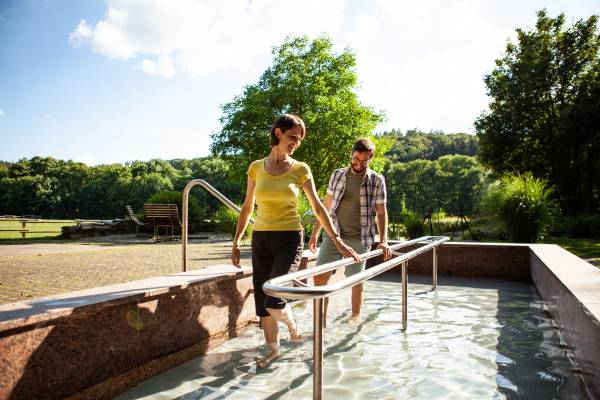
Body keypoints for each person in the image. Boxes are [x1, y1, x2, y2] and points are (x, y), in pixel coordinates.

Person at [231, 114, 361, 368]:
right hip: (260, 239)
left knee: (274, 297)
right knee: (262, 302)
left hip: (289, 238)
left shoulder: (301, 169)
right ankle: (272, 350)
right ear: (278, 133)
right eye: (293, 137)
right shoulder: (256, 168)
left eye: (299, 140)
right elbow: (247, 208)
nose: (296, 143)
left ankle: (291, 324)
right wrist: (236, 241)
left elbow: (318, 207)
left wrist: (336, 239)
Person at [308, 138, 391, 325]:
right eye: (356, 158)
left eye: (364, 161)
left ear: (370, 159)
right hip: (333, 234)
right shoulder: (337, 175)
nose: (359, 164)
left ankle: (354, 320)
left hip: (360, 238)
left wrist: (383, 239)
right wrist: (315, 233)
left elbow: (381, 211)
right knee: (319, 278)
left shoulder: (377, 180)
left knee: (355, 281)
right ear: (351, 154)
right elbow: (326, 206)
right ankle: (321, 324)